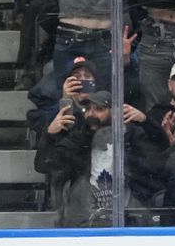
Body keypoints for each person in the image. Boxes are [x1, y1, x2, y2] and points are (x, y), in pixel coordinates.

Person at [35, 91, 159, 226]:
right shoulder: (78, 140)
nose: (91, 114)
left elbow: (156, 165)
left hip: (129, 219)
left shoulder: (132, 136)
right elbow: (43, 165)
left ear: (115, 113)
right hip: (85, 220)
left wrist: (147, 123)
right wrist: (49, 135)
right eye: (87, 109)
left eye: (99, 109)